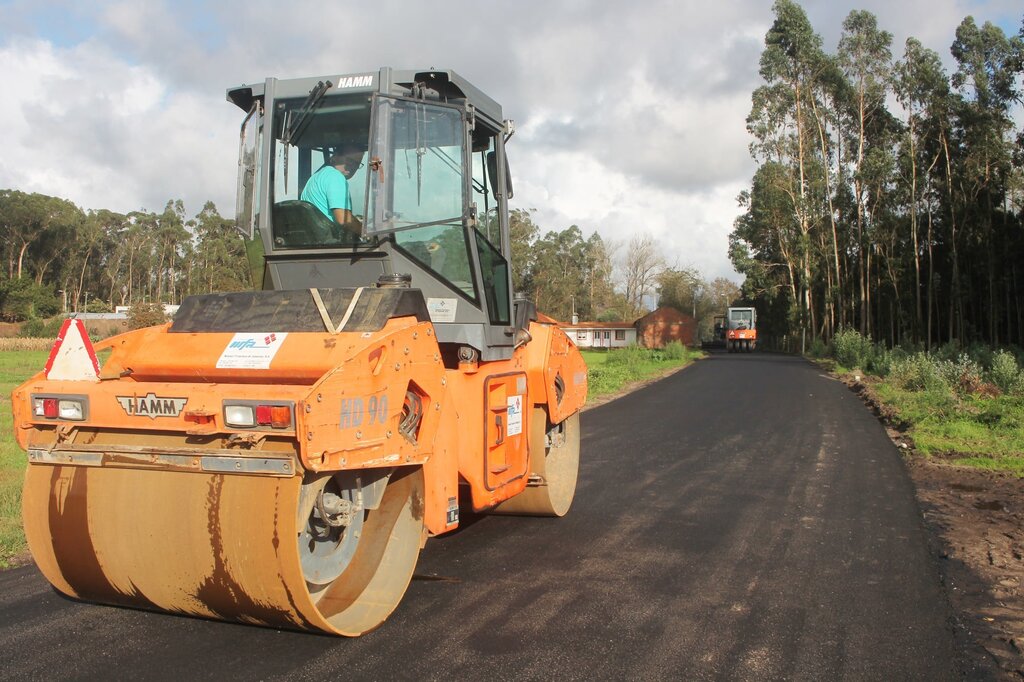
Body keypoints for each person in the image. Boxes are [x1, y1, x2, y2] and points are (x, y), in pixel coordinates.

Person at [300, 146, 364, 236]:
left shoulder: (316, 177)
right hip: (329, 240)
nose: (352, 166)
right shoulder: (336, 176)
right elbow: (343, 219)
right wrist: (365, 232)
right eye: (349, 160)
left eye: (357, 163)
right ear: (335, 157)